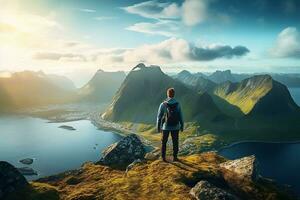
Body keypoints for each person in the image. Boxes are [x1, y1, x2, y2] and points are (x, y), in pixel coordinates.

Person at [157, 88, 184, 162]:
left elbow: (159, 116)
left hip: (166, 127)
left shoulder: (163, 104)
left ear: (167, 94)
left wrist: (158, 127)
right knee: (175, 142)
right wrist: (182, 125)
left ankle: (163, 158)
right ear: (174, 94)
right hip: (176, 127)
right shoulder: (178, 104)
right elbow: (180, 115)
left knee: (164, 142)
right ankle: (175, 157)